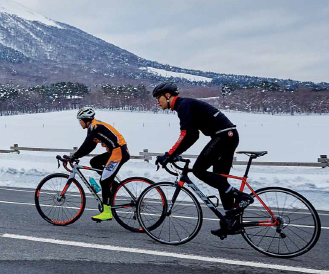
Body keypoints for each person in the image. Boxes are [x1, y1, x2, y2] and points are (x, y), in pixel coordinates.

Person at [152, 82, 253, 236]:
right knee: (219, 178)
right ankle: (232, 221)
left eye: (158, 98)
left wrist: (169, 154)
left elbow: (187, 134)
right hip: (228, 135)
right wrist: (174, 153)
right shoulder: (184, 105)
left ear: (167, 95)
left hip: (224, 136)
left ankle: (237, 195)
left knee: (199, 170)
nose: (157, 102)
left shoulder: (183, 105)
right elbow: (193, 135)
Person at [64, 106, 131, 222]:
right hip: (117, 152)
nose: (79, 123)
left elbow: (86, 146)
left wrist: (73, 156)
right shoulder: (93, 127)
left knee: (104, 180)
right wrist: (75, 156)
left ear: (85, 119)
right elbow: (90, 146)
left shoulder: (95, 127)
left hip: (118, 152)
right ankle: (113, 185)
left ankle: (107, 212)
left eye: (80, 120)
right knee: (94, 162)